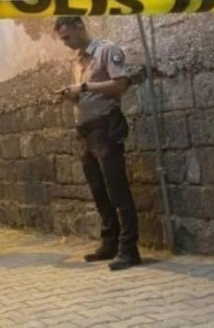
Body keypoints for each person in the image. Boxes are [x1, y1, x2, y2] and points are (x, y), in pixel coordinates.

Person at [54, 16, 140, 271]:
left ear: (80, 27)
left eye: (67, 37)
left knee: (117, 189)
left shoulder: (106, 51)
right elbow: (85, 93)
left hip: (105, 128)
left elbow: (120, 84)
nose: (66, 43)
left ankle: (129, 248)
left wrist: (84, 87)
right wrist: (73, 96)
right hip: (86, 132)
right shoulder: (78, 60)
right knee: (99, 190)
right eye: (62, 39)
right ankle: (110, 241)